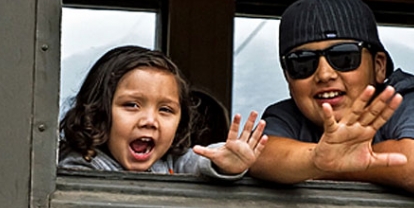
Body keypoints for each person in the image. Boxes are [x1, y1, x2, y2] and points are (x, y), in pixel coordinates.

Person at [248, 0, 414, 197]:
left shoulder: (410, 99)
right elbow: (258, 156)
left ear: (379, 66)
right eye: (302, 62)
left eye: (343, 57)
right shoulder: (288, 115)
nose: (324, 74)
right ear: (288, 77)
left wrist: (328, 164)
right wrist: (320, 159)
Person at [58, 45, 266, 179]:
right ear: (97, 113)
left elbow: (199, 161)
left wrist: (223, 161)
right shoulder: (80, 166)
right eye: (131, 105)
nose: (150, 120)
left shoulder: (173, 162)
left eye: (165, 110)